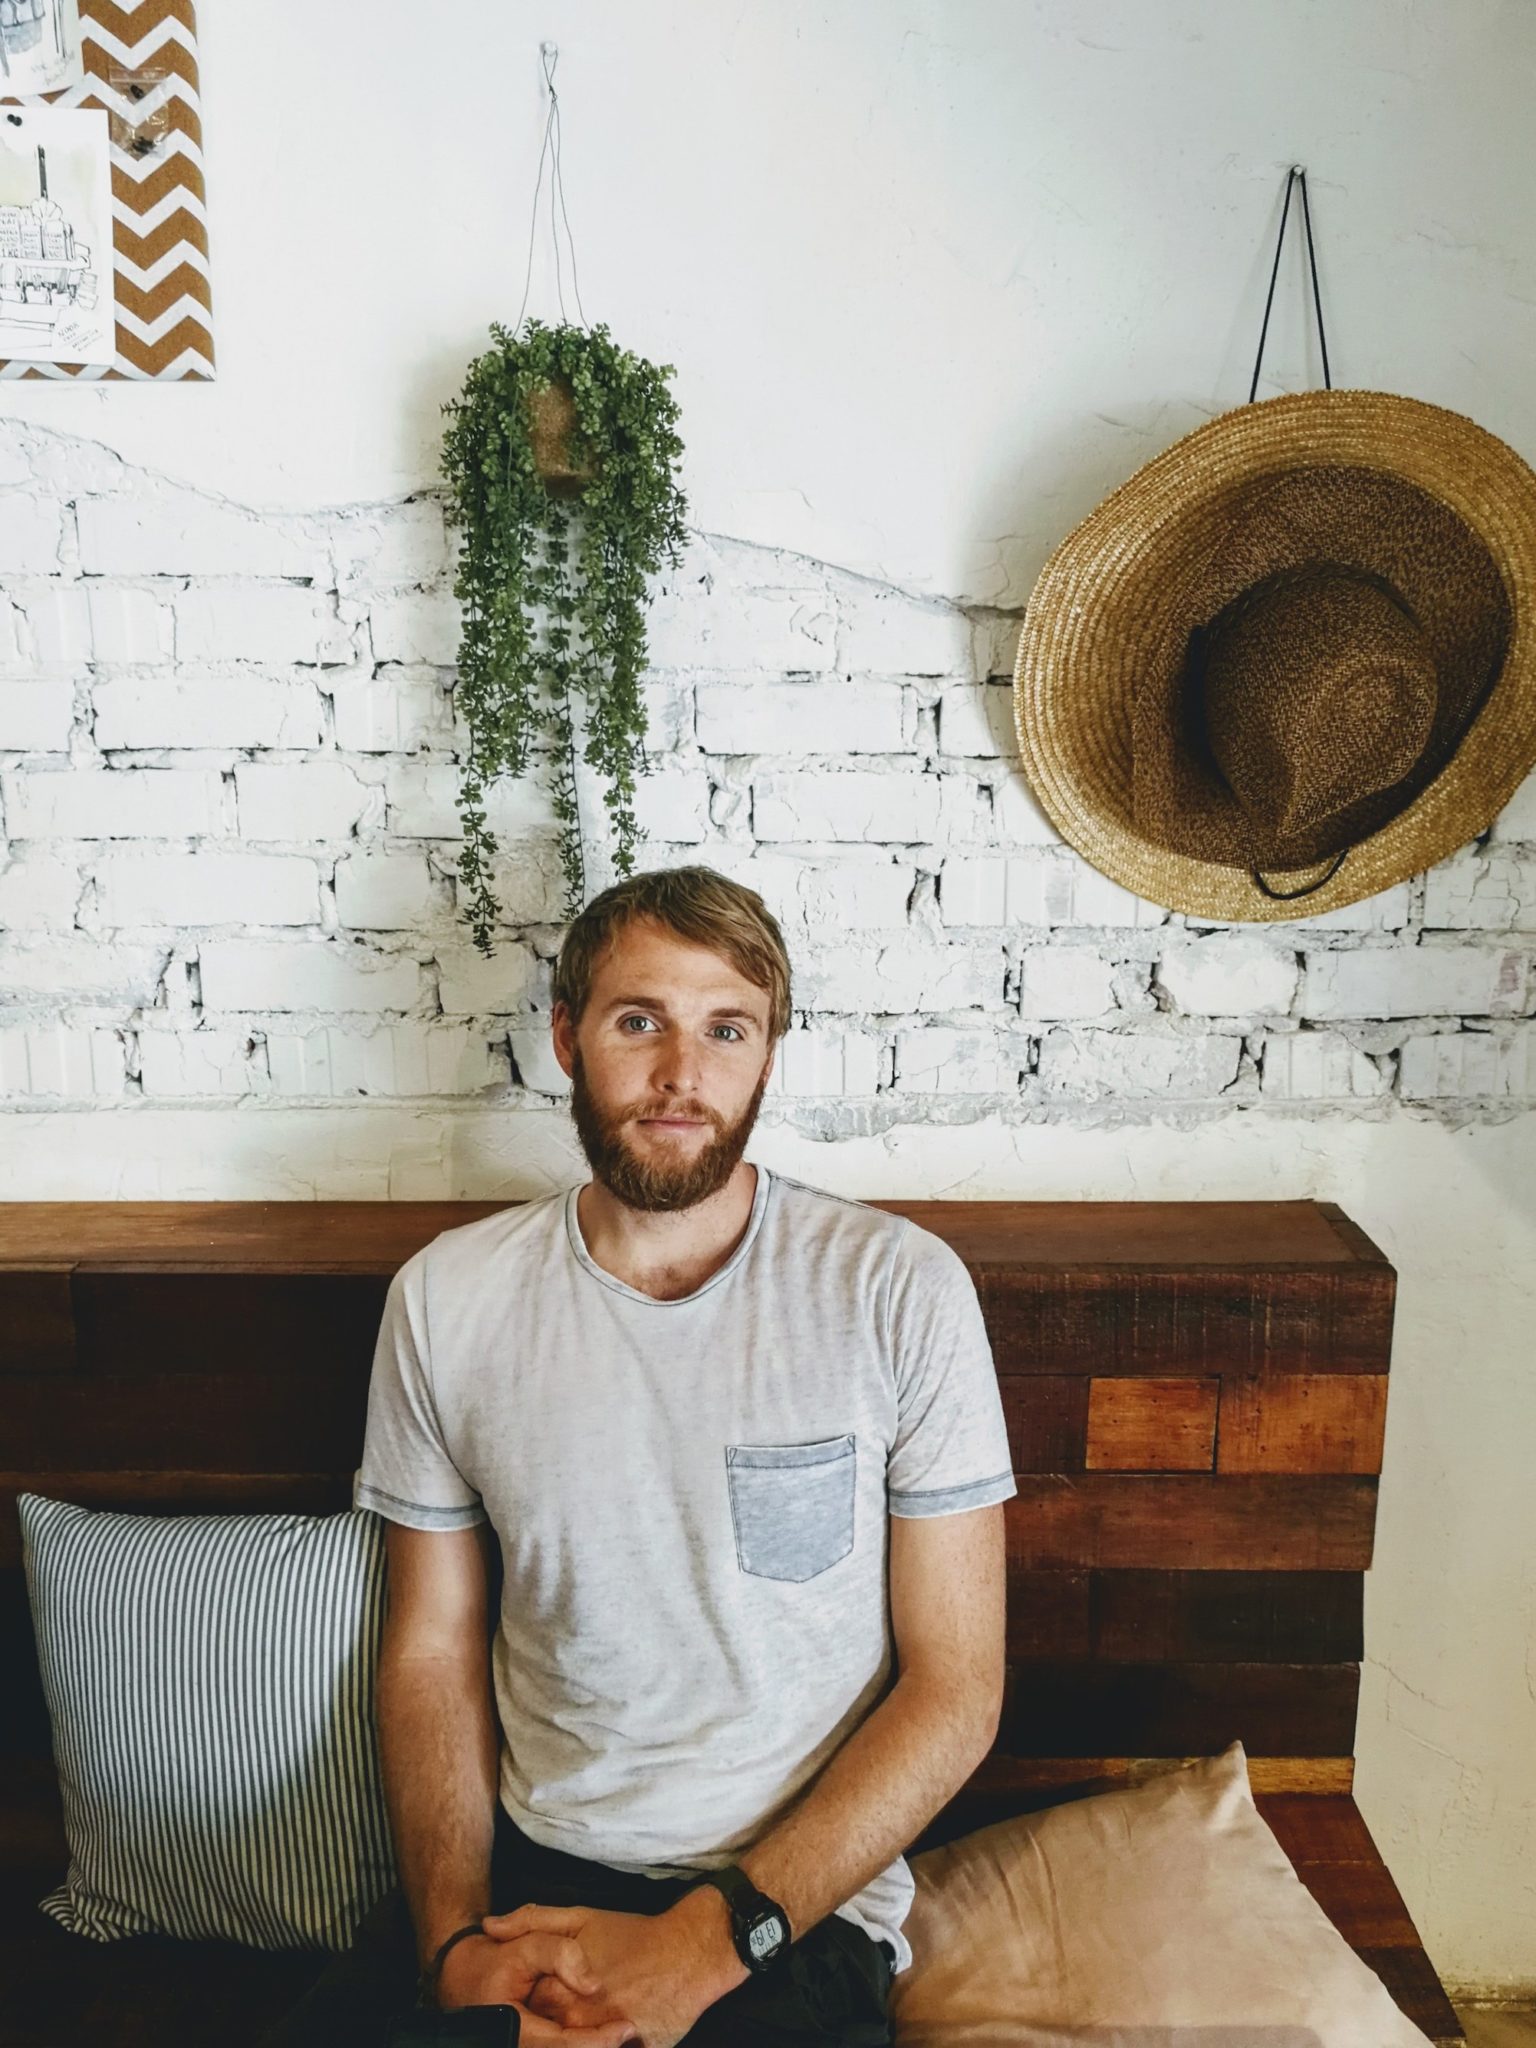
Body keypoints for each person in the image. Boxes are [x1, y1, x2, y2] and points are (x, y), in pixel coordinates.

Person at [257, 864, 1016, 2048]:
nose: (681, 1073)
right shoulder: (447, 1300)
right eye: (637, 1021)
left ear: (768, 1053)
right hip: (534, 1872)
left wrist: (710, 1941)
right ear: (566, 1037)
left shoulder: (896, 1290)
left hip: (791, 1907)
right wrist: (452, 1943)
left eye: (727, 1028)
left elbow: (957, 1687)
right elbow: (431, 1645)